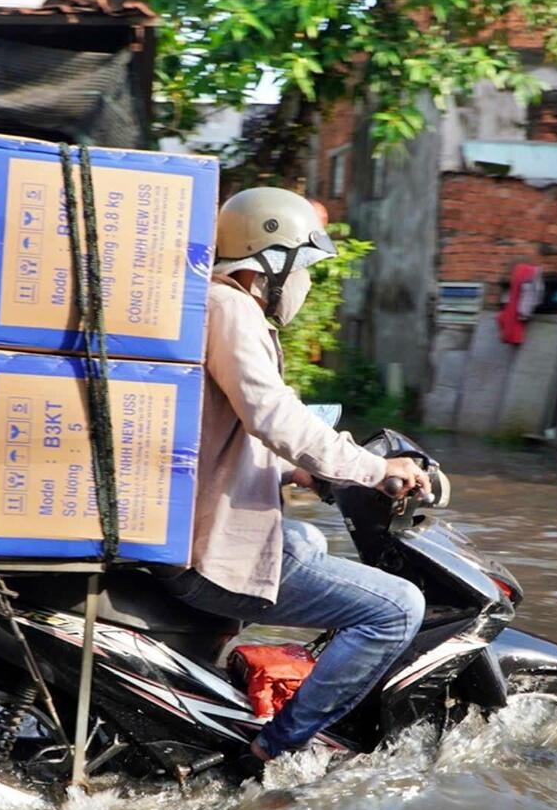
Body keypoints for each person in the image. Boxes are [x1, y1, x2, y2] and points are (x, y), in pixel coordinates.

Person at [167, 186, 431, 765]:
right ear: (271, 259)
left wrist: (303, 474)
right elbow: (271, 415)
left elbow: (236, 429)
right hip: (204, 552)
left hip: (198, 531)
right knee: (396, 609)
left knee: (307, 538)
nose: (307, 282)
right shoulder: (229, 308)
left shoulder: (219, 307)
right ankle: (278, 749)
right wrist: (373, 469)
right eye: (303, 264)